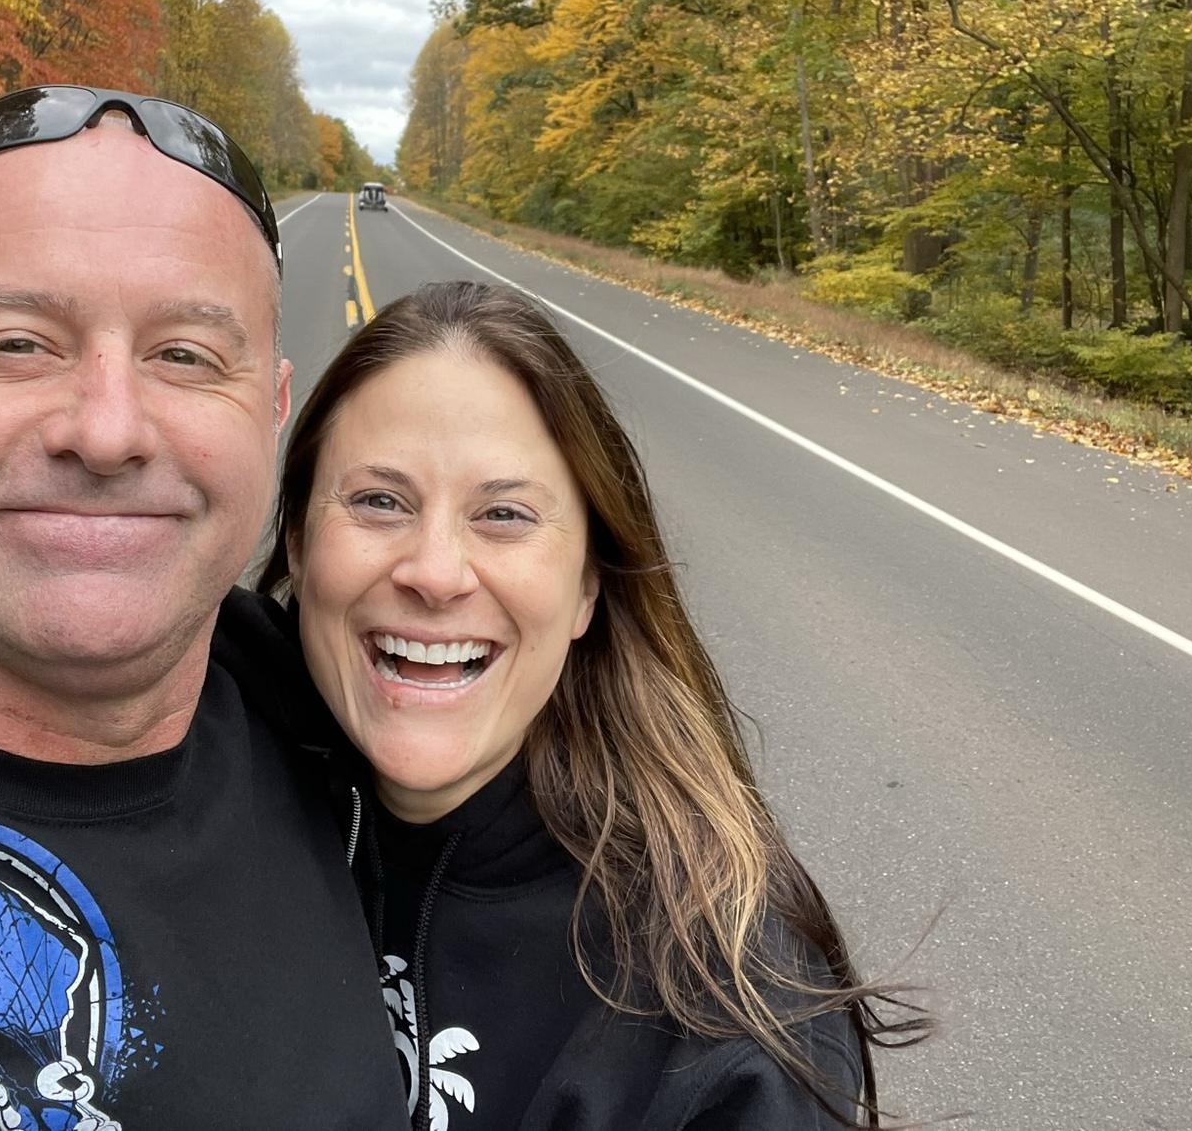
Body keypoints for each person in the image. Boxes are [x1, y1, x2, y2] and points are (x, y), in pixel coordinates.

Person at [0, 87, 409, 1129]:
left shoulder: (381, 770)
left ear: (270, 418)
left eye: (184, 355)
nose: (105, 430)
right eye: (17, 342)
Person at [260, 281, 928, 1131]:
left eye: (503, 515)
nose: (434, 572)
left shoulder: (714, 1011)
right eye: (378, 501)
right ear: (298, 545)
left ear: (586, 590)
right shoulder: (196, 784)